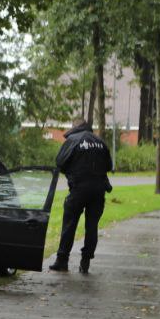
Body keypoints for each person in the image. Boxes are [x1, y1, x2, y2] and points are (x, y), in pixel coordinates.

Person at [49, 116, 114, 274]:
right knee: (92, 226)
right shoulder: (100, 142)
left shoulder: (73, 140)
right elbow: (108, 165)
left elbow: (60, 162)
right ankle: (85, 262)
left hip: (79, 188)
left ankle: (62, 260)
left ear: (74, 127)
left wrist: (72, 173)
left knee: (69, 223)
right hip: (98, 190)